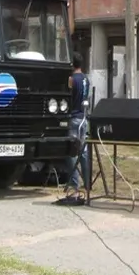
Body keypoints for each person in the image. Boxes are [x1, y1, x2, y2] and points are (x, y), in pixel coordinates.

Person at [62, 52, 90, 205]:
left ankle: (74, 184)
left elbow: (69, 96)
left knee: (72, 152)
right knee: (84, 152)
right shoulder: (86, 78)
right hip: (84, 118)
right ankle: (87, 184)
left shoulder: (72, 80)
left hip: (73, 118)